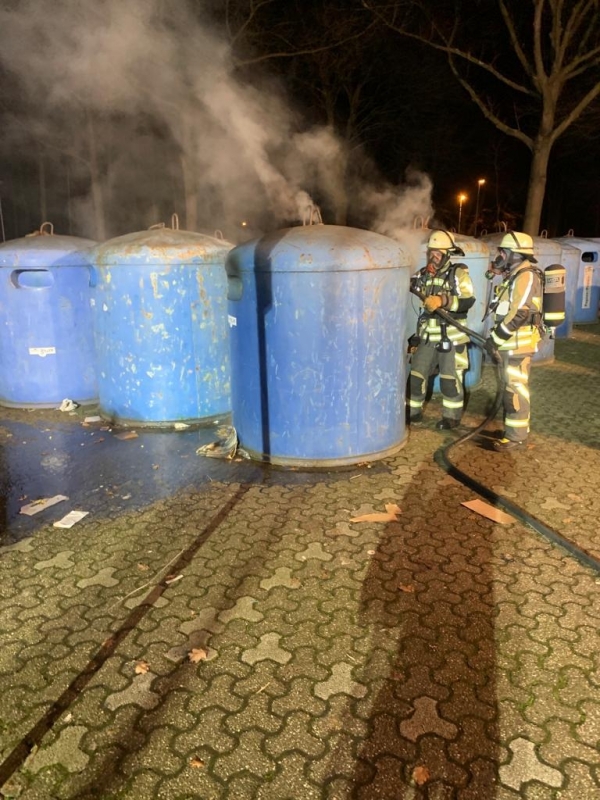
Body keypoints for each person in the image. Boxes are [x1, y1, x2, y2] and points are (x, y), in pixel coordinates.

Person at [408, 229, 475, 429]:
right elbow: (408, 283)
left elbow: (468, 300)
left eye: (438, 253)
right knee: (416, 376)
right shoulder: (423, 274)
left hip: (451, 338)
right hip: (428, 336)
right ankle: (412, 413)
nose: (434, 256)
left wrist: (442, 300)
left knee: (450, 380)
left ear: (447, 254)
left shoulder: (458, 274)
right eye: (431, 252)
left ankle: (451, 418)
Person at [485, 231, 543, 452]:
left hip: (519, 345)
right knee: (511, 389)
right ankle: (513, 432)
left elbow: (519, 313)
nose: (499, 255)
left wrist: (495, 339)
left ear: (515, 254)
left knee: (515, 391)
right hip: (511, 344)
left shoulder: (526, 276)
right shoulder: (515, 275)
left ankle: (516, 438)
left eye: (503, 251)